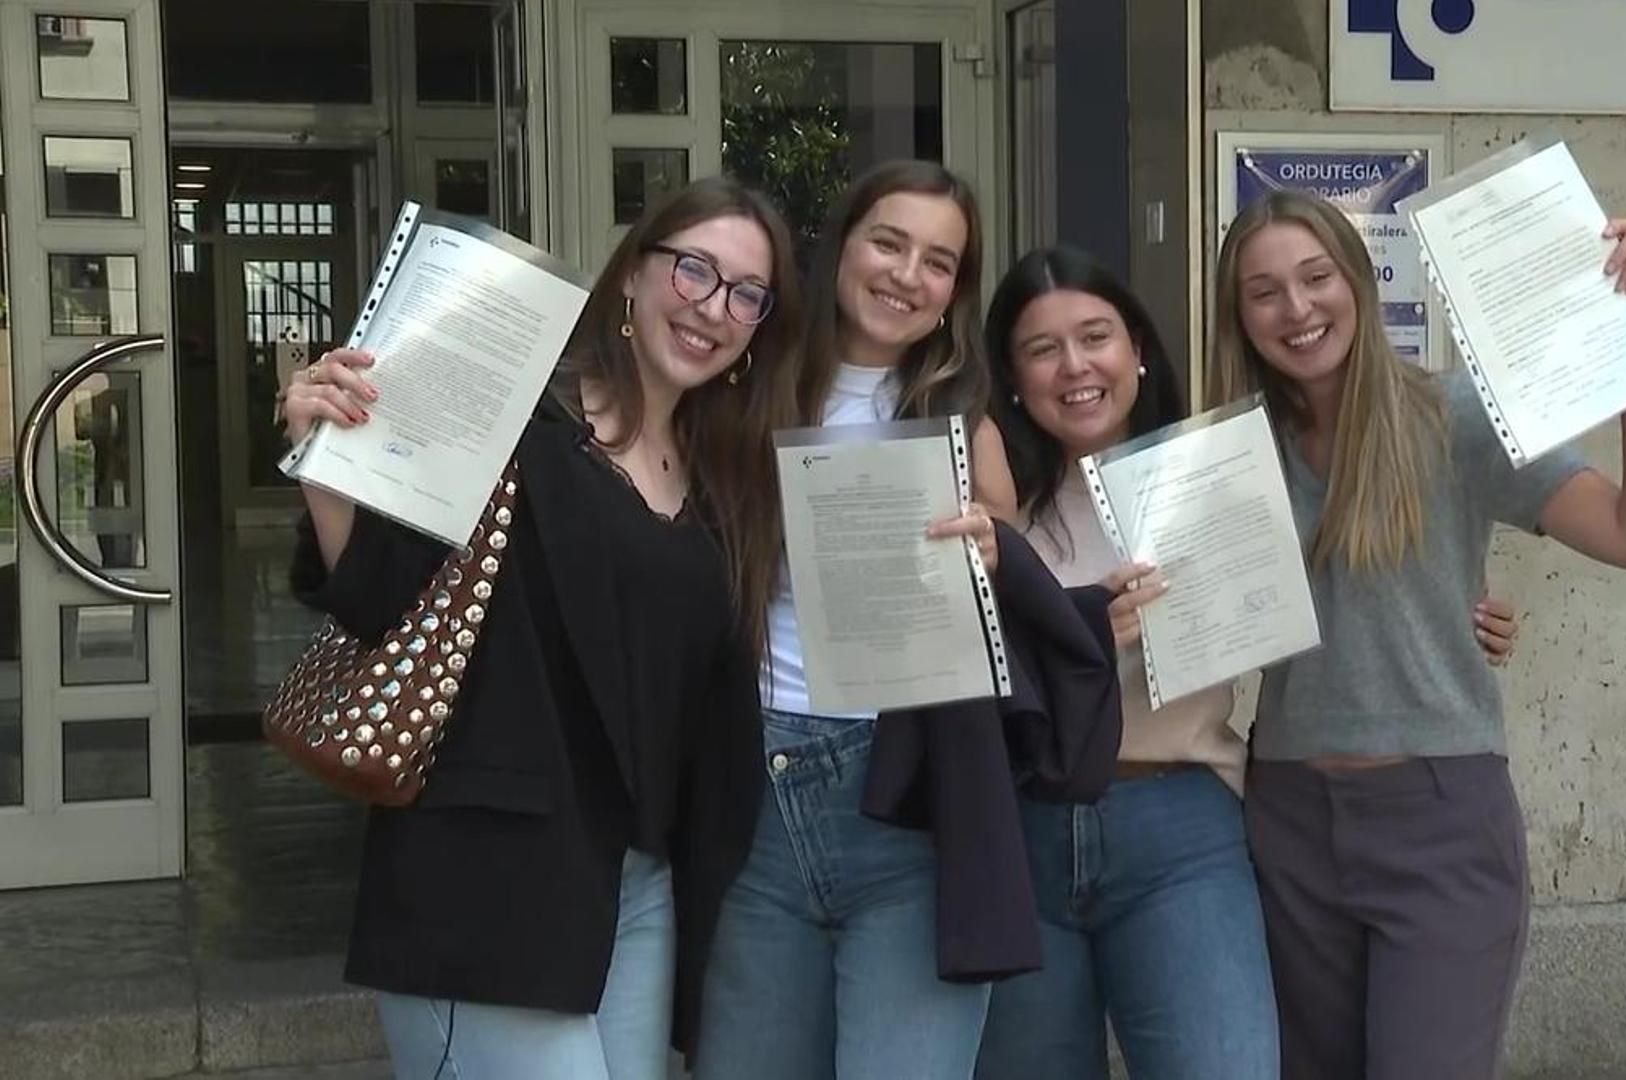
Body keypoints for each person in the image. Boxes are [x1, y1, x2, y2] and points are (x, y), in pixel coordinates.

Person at [282, 176, 802, 1080]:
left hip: (636, 888)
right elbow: (374, 595)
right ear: (633, 277)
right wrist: (324, 460)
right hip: (491, 878)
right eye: (694, 271)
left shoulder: (728, 486)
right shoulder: (518, 418)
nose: (713, 308)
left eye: (745, 294)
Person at [971, 245, 1524, 1080]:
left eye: (1096, 337)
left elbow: (1350, 574)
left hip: (1181, 819)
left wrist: (1468, 611)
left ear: (1139, 350)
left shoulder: (1219, 474)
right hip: (1027, 825)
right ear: (1011, 377)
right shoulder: (994, 503)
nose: (1075, 366)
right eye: (1042, 349)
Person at [1211, 189, 1626, 1079]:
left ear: (1358, 280)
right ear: (1237, 315)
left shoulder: (1453, 416)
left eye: (1317, 277)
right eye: (1264, 290)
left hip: (1438, 818)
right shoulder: (1233, 456)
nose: (1297, 308)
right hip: (1285, 821)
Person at [692, 160, 1095, 1080]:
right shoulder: (743, 391)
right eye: (889, 241)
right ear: (841, 245)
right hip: (755, 779)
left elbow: (1020, 625)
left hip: (911, 793)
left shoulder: (964, 421)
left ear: (956, 290)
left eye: (939, 261)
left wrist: (997, 558)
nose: (907, 274)